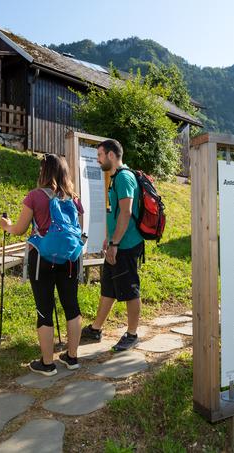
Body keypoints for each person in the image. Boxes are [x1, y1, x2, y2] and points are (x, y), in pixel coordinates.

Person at [0, 154, 86, 376]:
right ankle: (72, 357)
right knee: (72, 306)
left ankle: (47, 364)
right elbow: (78, 232)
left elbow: (19, 229)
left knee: (44, 309)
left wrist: (6, 226)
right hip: (70, 259)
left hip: (42, 259)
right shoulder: (74, 199)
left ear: (44, 172)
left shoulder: (35, 197)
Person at [81, 139, 144, 352]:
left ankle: (133, 334)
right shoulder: (116, 177)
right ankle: (96, 328)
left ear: (110, 155)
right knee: (108, 286)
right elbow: (116, 212)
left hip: (126, 244)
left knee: (130, 289)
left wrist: (116, 242)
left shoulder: (124, 177)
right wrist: (110, 239)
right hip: (117, 242)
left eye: (99, 155)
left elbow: (126, 212)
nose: (98, 160)